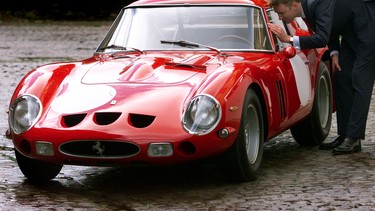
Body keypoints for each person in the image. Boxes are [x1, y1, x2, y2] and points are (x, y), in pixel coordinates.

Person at [319, 0, 375, 155]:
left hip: (369, 26)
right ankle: (344, 134)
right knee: (342, 75)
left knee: (360, 80)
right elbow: (330, 21)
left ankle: (353, 136)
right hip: (350, 30)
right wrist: (334, 51)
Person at [267, 0, 334, 50]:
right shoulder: (307, 7)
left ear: (294, 5)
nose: (279, 18)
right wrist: (334, 51)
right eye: (277, 13)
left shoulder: (317, 3)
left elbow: (321, 39)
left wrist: (288, 38)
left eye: (282, 13)